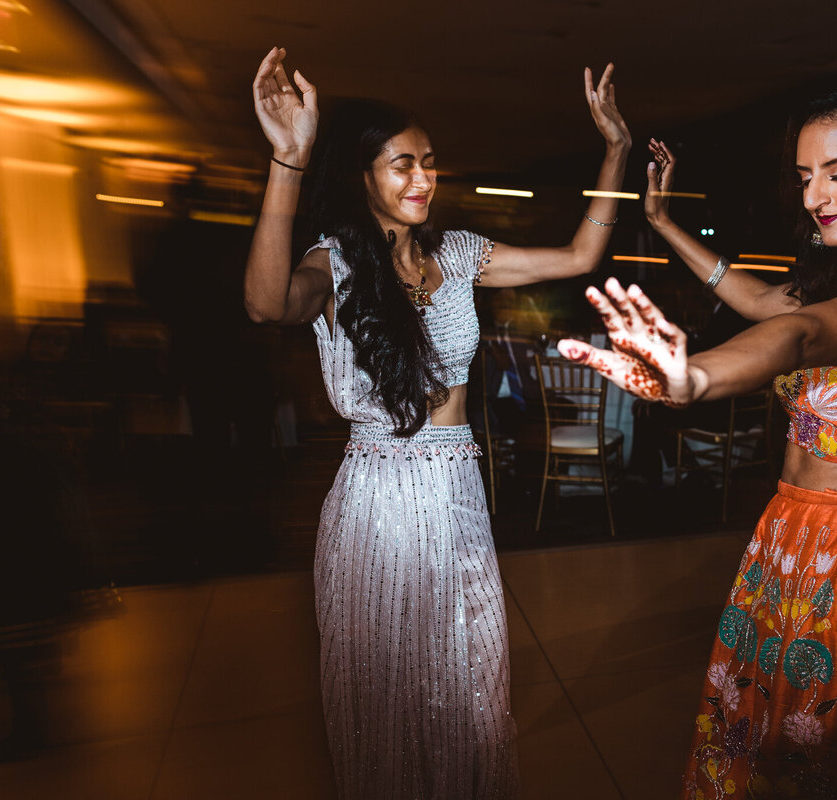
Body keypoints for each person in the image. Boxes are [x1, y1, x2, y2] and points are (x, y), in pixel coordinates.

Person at [561, 74, 837, 797]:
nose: (817, 195)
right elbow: (758, 298)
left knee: (826, 754)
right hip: (788, 532)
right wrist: (663, 226)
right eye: (805, 176)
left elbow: (798, 335)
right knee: (767, 737)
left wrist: (692, 378)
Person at [243, 47, 631, 798]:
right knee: (386, 699)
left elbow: (581, 254)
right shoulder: (335, 265)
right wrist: (287, 160)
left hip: (457, 496)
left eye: (429, 162)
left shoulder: (459, 254)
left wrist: (613, 150)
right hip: (375, 505)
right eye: (402, 164)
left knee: (475, 697)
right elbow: (264, 303)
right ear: (362, 176)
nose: (423, 179)